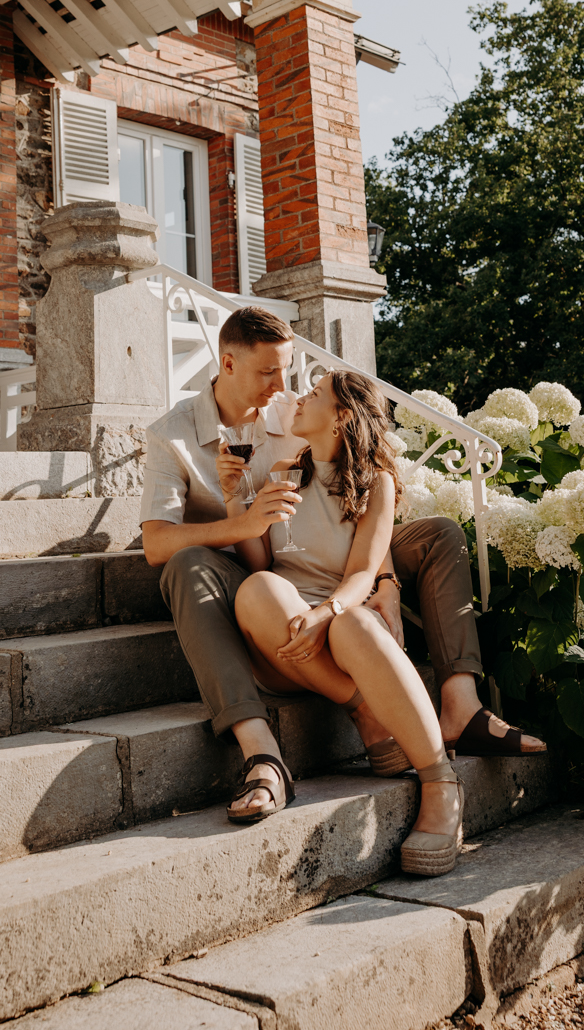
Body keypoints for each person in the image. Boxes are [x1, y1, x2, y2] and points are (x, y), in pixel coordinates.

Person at [141, 306, 543, 822]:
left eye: (287, 372)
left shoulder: (292, 410)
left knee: (440, 533)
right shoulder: (171, 436)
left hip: (333, 564)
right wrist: (239, 515)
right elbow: (157, 545)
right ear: (228, 364)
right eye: (268, 372)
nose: (283, 387)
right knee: (190, 565)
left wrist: (385, 578)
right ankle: (272, 747)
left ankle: (460, 704)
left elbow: (358, 490)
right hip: (256, 577)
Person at [229, 368, 463, 874]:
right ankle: (366, 711)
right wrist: (236, 498)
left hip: (340, 631)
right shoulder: (283, 473)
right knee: (257, 589)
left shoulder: (375, 483)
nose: (300, 397)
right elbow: (261, 562)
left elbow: (362, 573)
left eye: (314, 395)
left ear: (340, 417)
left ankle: (441, 782)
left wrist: (326, 612)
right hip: (286, 644)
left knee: (353, 623)